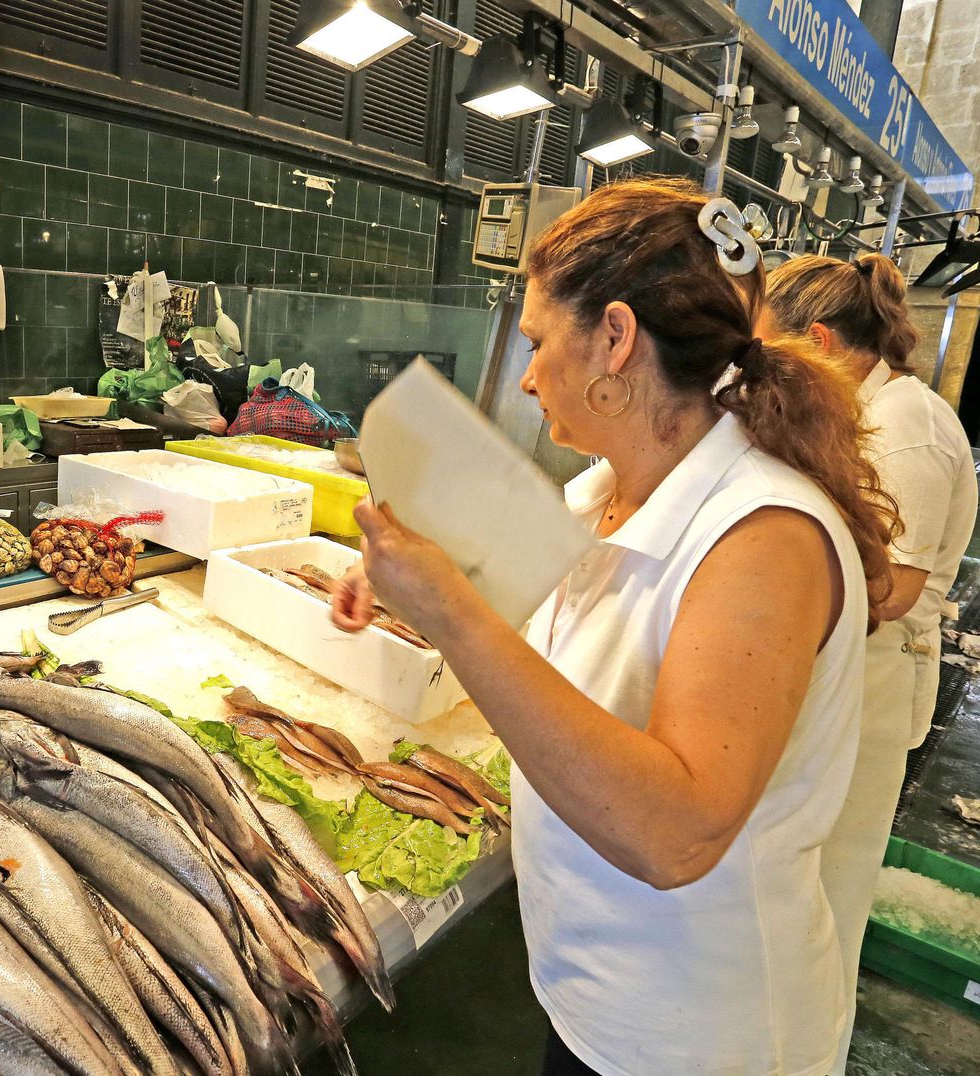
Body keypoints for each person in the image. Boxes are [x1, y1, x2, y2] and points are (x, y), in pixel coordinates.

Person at [332, 178, 899, 1075]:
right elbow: (510, 618)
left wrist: (450, 610)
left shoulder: (764, 535)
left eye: (536, 340)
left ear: (616, 337)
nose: (524, 373)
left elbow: (677, 834)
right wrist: (399, 583)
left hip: (706, 1040)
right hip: (596, 998)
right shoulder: (602, 492)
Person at [762, 253, 976, 1074]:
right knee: (794, 894)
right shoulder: (860, 413)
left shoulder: (907, 426)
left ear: (818, 341)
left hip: (874, 693)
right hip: (837, 685)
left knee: (830, 902)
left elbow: (891, 590)